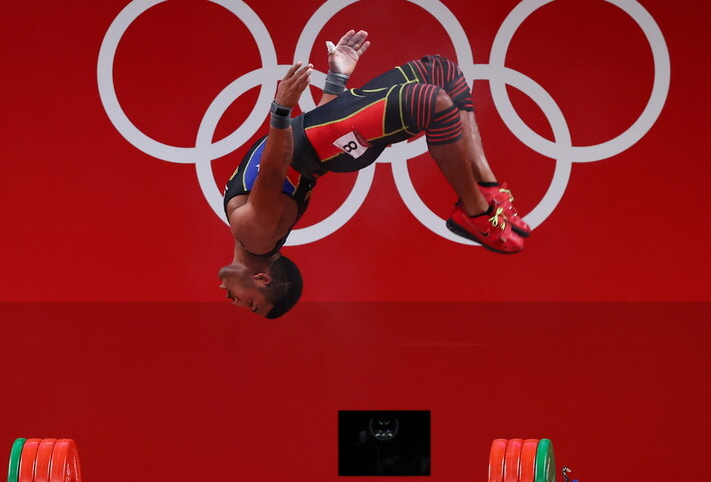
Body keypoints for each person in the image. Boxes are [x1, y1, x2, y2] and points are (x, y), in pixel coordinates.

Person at [218, 30, 530, 319]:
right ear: (262, 279)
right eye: (250, 303)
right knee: (434, 104)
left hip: (330, 131)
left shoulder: (251, 235)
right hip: (331, 140)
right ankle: (476, 213)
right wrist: (281, 109)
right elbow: (273, 172)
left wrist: (336, 79)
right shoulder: (255, 237)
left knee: (443, 72)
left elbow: (299, 142)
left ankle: (486, 189)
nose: (234, 301)